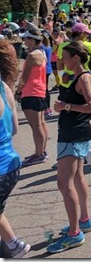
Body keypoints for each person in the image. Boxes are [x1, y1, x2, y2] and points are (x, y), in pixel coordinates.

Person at [48, 41, 91, 253]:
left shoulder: (84, 77)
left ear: (76, 58)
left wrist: (65, 106)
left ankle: (74, 233)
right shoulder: (79, 75)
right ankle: (84, 220)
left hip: (73, 134)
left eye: (66, 57)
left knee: (64, 182)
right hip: (76, 132)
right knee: (77, 177)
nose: (62, 60)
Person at [0, 40, 31, 258]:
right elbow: (14, 129)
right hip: (11, 166)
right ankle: (12, 245)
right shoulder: (4, 87)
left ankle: (14, 245)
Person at [15, 29, 49, 165]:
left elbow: (24, 78)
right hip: (40, 91)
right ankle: (42, 151)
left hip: (31, 92)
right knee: (40, 124)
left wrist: (18, 92)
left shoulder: (32, 56)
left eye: (26, 39)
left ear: (32, 40)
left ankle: (39, 153)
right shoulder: (42, 52)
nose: (24, 41)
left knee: (36, 126)